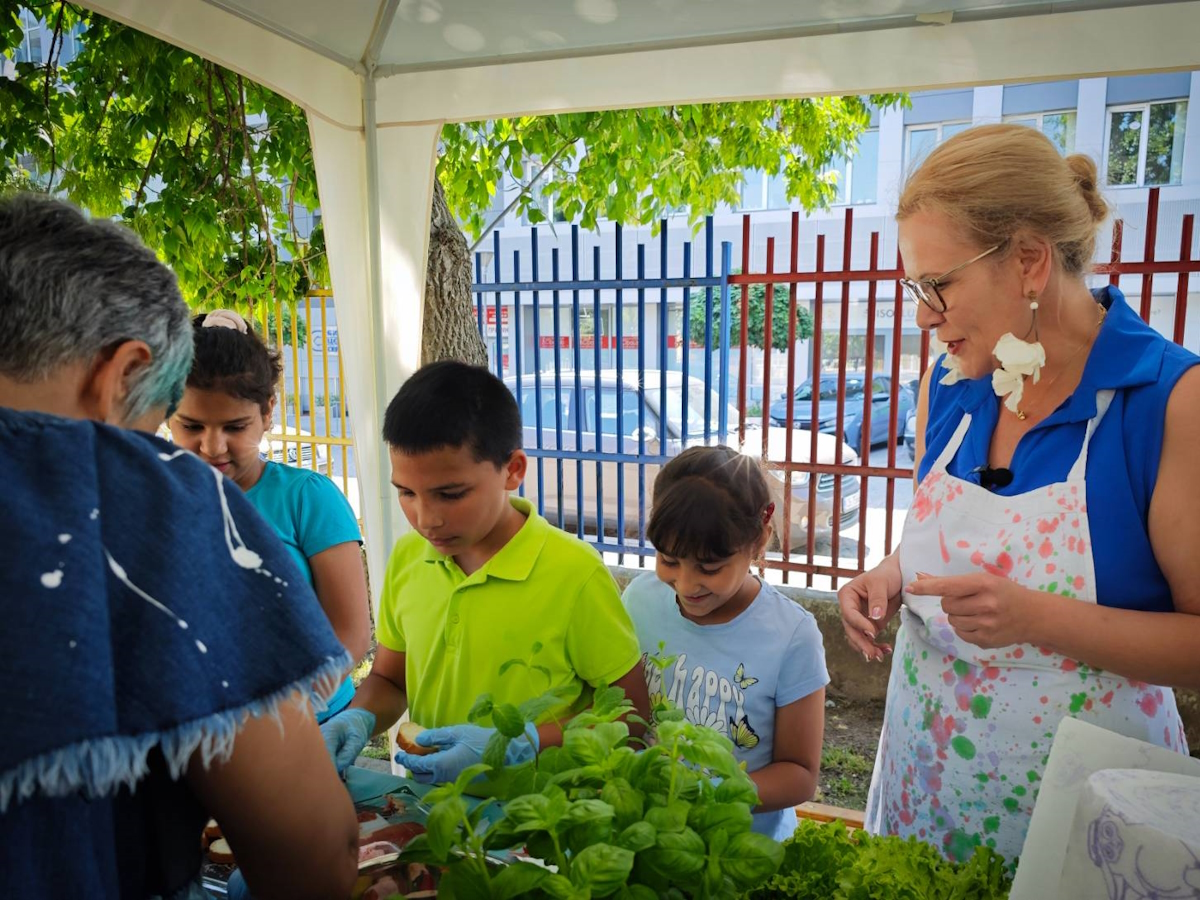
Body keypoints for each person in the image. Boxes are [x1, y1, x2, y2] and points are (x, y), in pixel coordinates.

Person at [838, 124, 1200, 865]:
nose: (922, 315)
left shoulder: (1170, 401)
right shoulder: (950, 385)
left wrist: (1034, 618)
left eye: (938, 285)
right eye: (915, 288)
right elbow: (953, 542)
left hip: (1085, 827)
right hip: (924, 793)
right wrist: (893, 574)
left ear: (1030, 261)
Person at [0, 194, 358, 900]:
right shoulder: (159, 503)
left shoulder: (307, 496)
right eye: (169, 423)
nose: (200, 450)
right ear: (122, 375)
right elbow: (314, 852)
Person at [320, 360, 651, 782]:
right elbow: (390, 678)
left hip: (545, 817)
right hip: (433, 808)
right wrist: (359, 717)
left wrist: (525, 742)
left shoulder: (575, 572)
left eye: (450, 494)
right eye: (406, 492)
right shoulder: (408, 557)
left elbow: (630, 718)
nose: (426, 518)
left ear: (513, 470)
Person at [169, 309, 370, 722]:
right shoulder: (155, 502)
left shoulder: (307, 499)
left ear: (267, 413)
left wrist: (281, 715)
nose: (212, 446)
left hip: (310, 725)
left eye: (234, 427)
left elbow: (350, 633)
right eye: (191, 426)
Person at [623, 446, 829, 842]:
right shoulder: (639, 600)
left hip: (740, 849)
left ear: (758, 540)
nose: (686, 585)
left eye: (710, 567)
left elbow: (800, 774)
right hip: (653, 837)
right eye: (669, 560)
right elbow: (626, 715)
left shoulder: (791, 636)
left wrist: (717, 793)